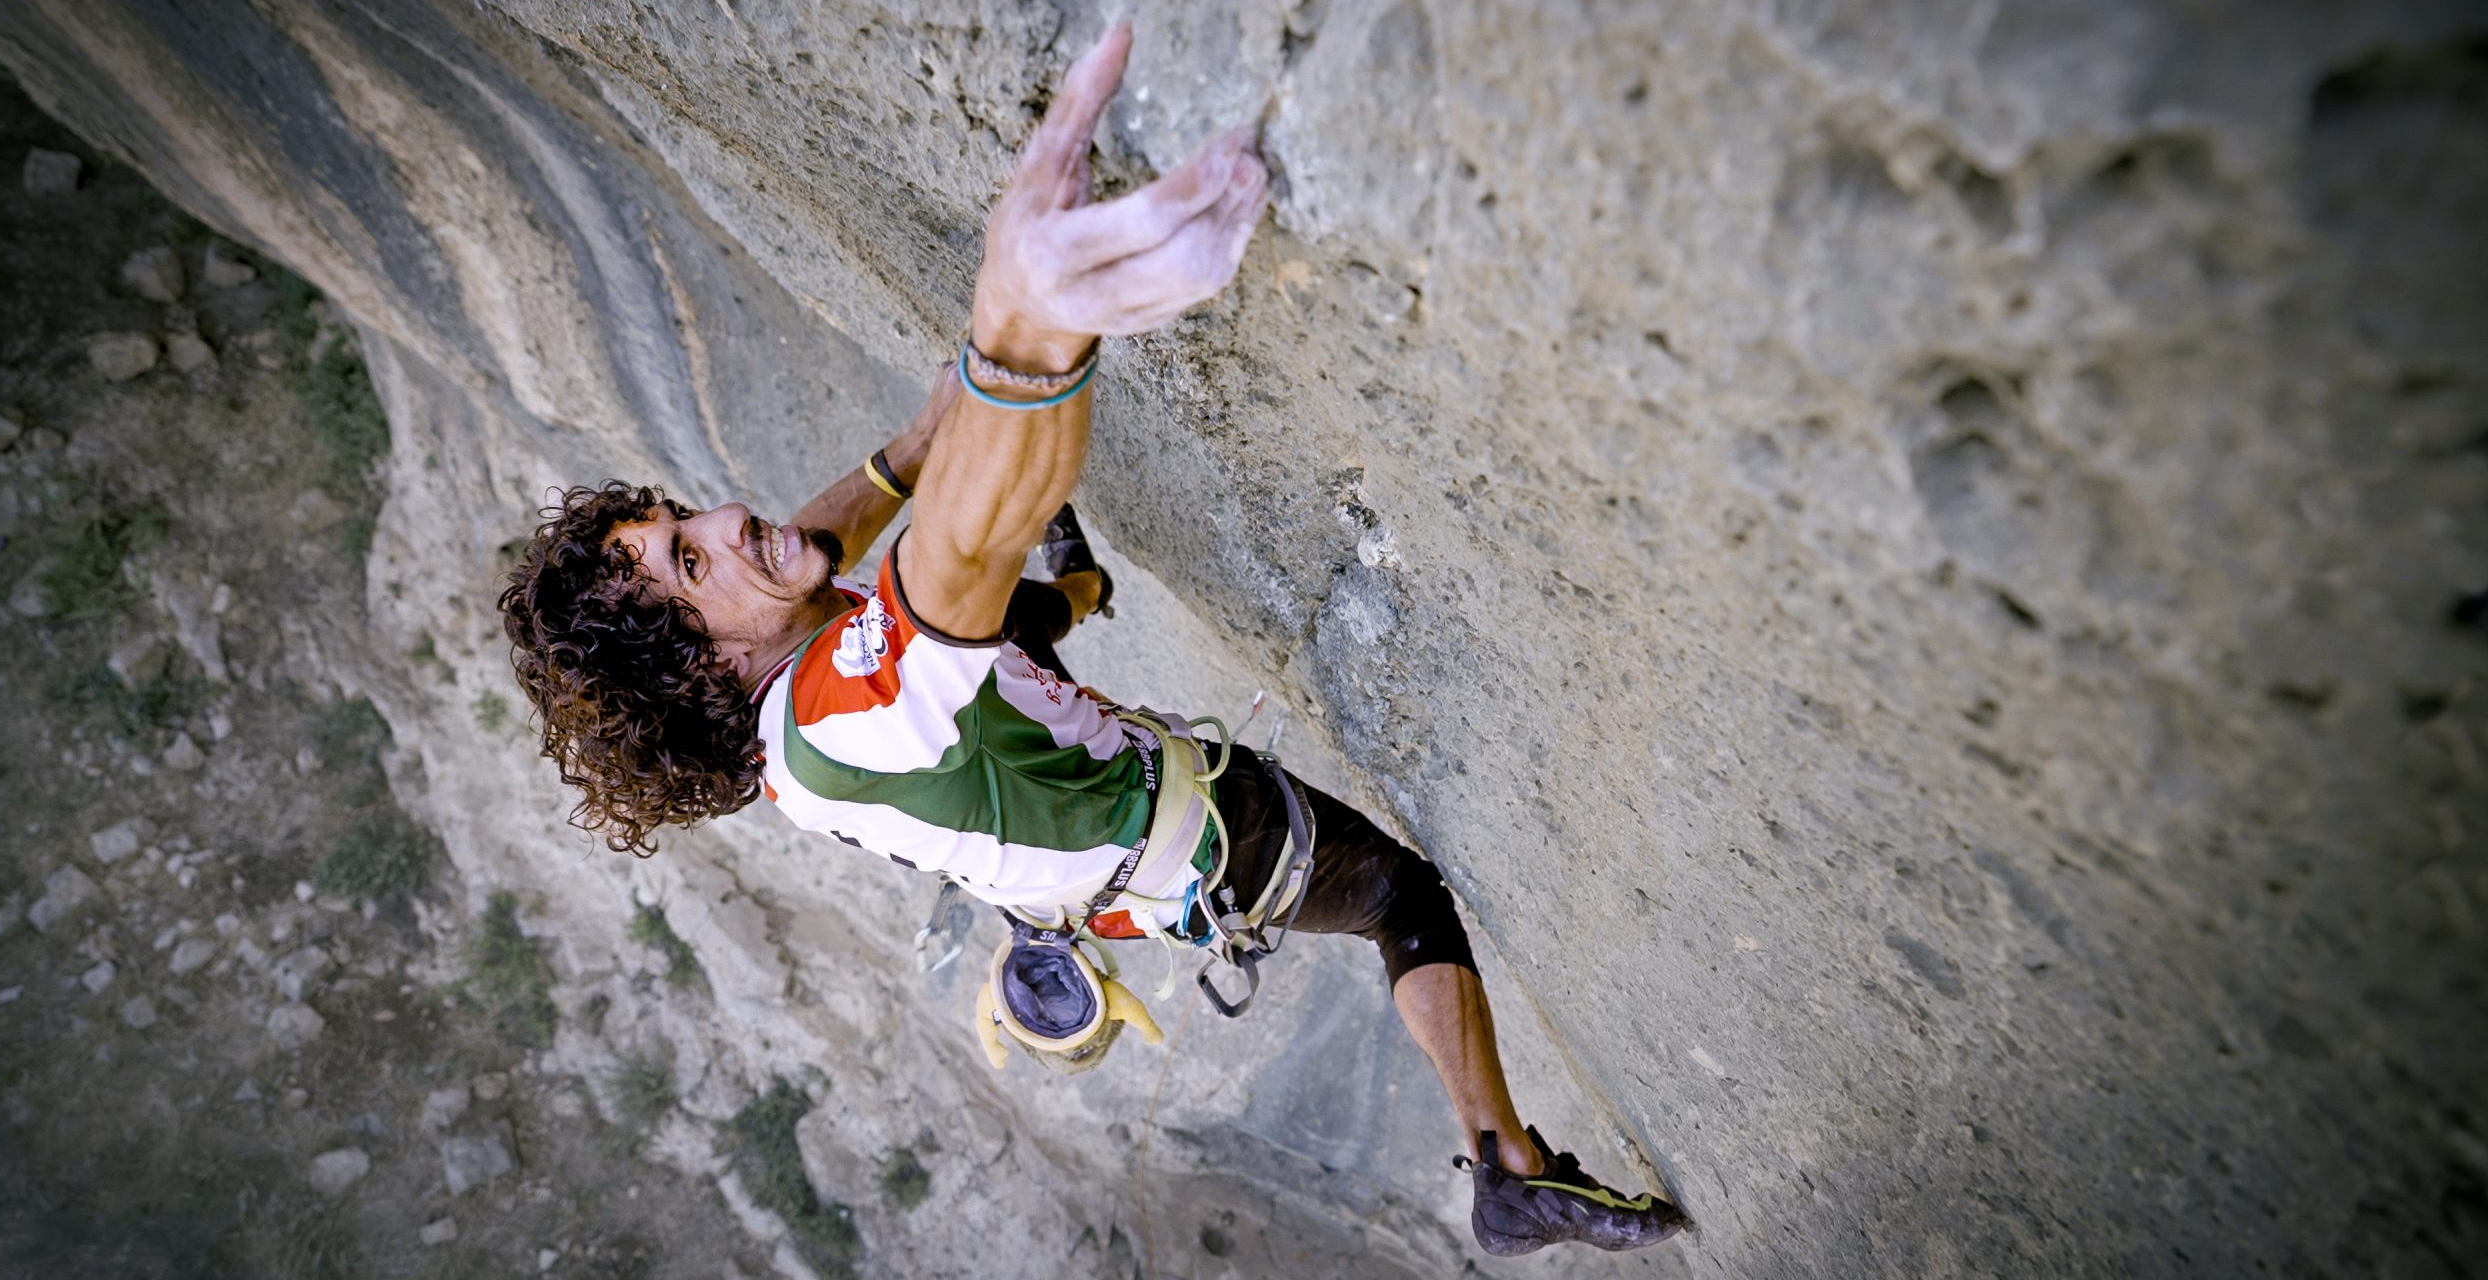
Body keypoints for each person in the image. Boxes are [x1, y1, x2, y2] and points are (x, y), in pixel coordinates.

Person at [497, 24, 1685, 1258]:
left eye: (681, 517)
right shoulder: (835, 717)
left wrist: (949, 401)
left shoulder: (774, 643)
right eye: (690, 556)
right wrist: (1023, 339)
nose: (725, 519)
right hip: (1195, 845)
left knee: (1008, 624)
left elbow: (844, 513)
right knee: (1399, 893)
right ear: (704, 665)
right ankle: (1504, 1165)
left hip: (1060, 815)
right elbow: (955, 547)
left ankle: (1084, 586)